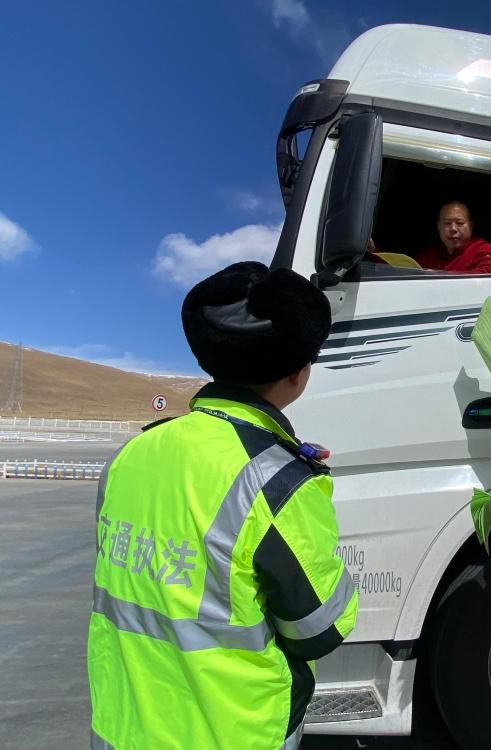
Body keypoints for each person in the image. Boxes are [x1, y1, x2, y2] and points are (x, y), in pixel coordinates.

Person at [87, 261, 358, 750]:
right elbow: (318, 629)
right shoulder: (280, 483)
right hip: (229, 732)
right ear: (298, 374)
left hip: (121, 726)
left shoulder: (131, 455)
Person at [415, 201, 491, 274]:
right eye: (447, 223)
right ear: (439, 226)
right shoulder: (431, 255)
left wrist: (443, 277)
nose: (453, 229)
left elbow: (489, 272)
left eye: (460, 223)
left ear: (471, 226)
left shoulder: (480, 248)